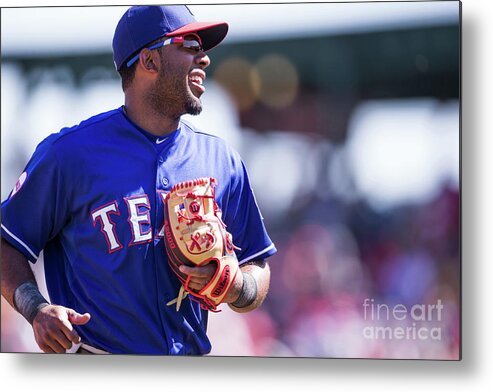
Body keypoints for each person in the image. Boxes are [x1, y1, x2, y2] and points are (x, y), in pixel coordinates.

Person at [1, 5, 276, 355]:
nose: (204, 59)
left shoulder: (221, 160)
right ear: (149, 61)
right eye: (190, 45)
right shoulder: (69, 154)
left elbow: (257, 263)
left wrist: (238, 286)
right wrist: (35, 308)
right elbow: (6, 241)